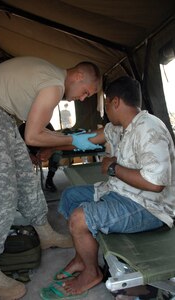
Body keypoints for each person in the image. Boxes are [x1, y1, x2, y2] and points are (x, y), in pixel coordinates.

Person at [0, 56, 102, 299]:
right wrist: (72, 141)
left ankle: (44, 232)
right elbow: (33, 137)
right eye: (86, 91)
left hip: (2, 118)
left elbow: (37, 131)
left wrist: (66, 140)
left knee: (26, 178)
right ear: (77, 76)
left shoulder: (50, 76)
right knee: (0, 192)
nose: (83, 98)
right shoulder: (54, 84)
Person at [51, 76, 175, 298]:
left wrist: (113, 168)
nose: (106, 109)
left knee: (80, 218)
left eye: (106, 103)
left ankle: (92, 272)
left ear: (115, 102)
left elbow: (155, 185)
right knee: (70, 196)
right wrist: (47, 142)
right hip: (120, 192)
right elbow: (90, 139)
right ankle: (82, 257)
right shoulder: (122, 127)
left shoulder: (149, 128)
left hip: (149, 206)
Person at [19, 121, 62, 192]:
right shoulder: (22, 128)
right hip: (30, 151)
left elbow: (54, 140)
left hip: (44, 148)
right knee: (20, 157)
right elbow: (19, 145)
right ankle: (29, 182)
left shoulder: (47, 124)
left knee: (57, 153)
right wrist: (29, 155)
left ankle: (49, 180)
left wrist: (48, 151)